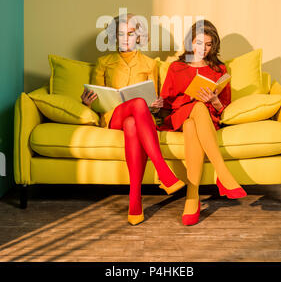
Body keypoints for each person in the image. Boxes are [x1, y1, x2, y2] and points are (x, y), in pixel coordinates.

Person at [81, 13, 185, 226]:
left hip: (139, 118)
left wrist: (157, 105)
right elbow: (95, 99)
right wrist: (86, 102)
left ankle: (135, 200)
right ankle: (163, 171)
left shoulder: (150, 64)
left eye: (130, 33)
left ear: (138, 36)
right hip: (112, 116)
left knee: (133, 119)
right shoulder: (103, 62)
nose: (126, 38)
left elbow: (153, 103)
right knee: (136, 104)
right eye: (121, 34)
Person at [158, 19, 247, 226]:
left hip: (206, 120)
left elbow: (223, 108)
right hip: (179, 114)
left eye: (208, 45)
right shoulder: (177, 67)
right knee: (195, 108)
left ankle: (192, 196)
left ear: (213, 45)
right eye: (199, 43)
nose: (203, 49)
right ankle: (222, 173)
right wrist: (158, 104)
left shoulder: (219, 69)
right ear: (190, 42)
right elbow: (166, 105)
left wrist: (214, 100)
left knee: (194, 121)